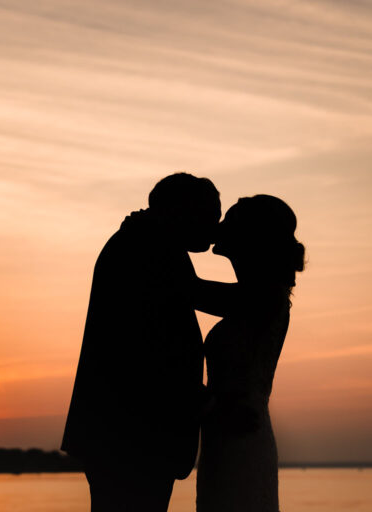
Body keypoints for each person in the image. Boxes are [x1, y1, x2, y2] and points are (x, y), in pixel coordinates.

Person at [61, 173, 227, 512]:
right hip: (132, 436)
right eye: (211, 216)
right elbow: (153, 348)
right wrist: (267, 294)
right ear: (182, 212)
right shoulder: (150, 246)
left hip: (122, 433)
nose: (216, 226)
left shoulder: (147, 240)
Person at [196, 195, 305, 512]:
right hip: (226, 432)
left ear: (250, 236)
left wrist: (158, 232)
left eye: (228, 220)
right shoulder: (259, 295)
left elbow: (188, 289)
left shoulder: (264, 297)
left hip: (241, 434)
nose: (219, 226)